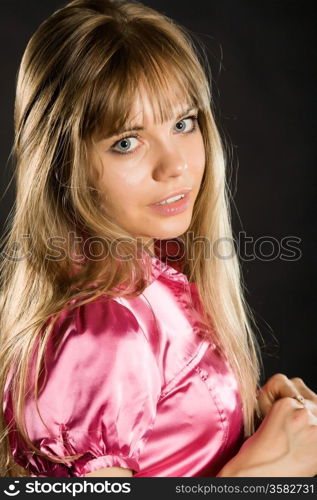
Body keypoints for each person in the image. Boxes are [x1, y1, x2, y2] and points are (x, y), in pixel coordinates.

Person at [0, 0, 316, 478]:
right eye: (127, 141)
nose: (176, 166)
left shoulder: (152, 271)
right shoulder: (104, 327)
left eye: (183, 123)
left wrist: (250, 425)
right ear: (64, 163)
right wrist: (259, 475)